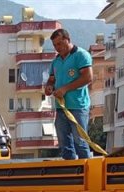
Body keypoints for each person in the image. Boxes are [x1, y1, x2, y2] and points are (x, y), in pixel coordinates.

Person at [44, 29, 93, 160]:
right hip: (61, 108)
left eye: (59, 44)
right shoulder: (56, 61)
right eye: (54, 45)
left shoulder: (81, 55)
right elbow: (52, 79)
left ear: (68, 39)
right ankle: (71, 170)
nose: (57, 48)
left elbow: (88, 77)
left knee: (80, 141)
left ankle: (86, 171)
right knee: (64, 142)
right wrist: (49, 87)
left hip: (78, 106)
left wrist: (65, 89)